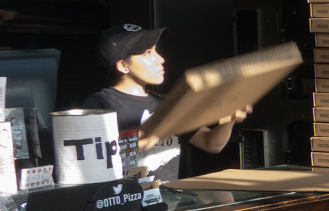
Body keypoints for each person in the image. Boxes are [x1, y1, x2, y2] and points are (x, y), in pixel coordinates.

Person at [84, 24, 251, 156]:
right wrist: (133, 146)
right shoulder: (99, 106)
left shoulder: (168, 104)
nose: (160, 59)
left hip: (167, 192)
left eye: (156, 51)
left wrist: (228, 120)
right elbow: (87, 156)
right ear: (123, 66)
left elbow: (211, 144)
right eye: (147, 53)